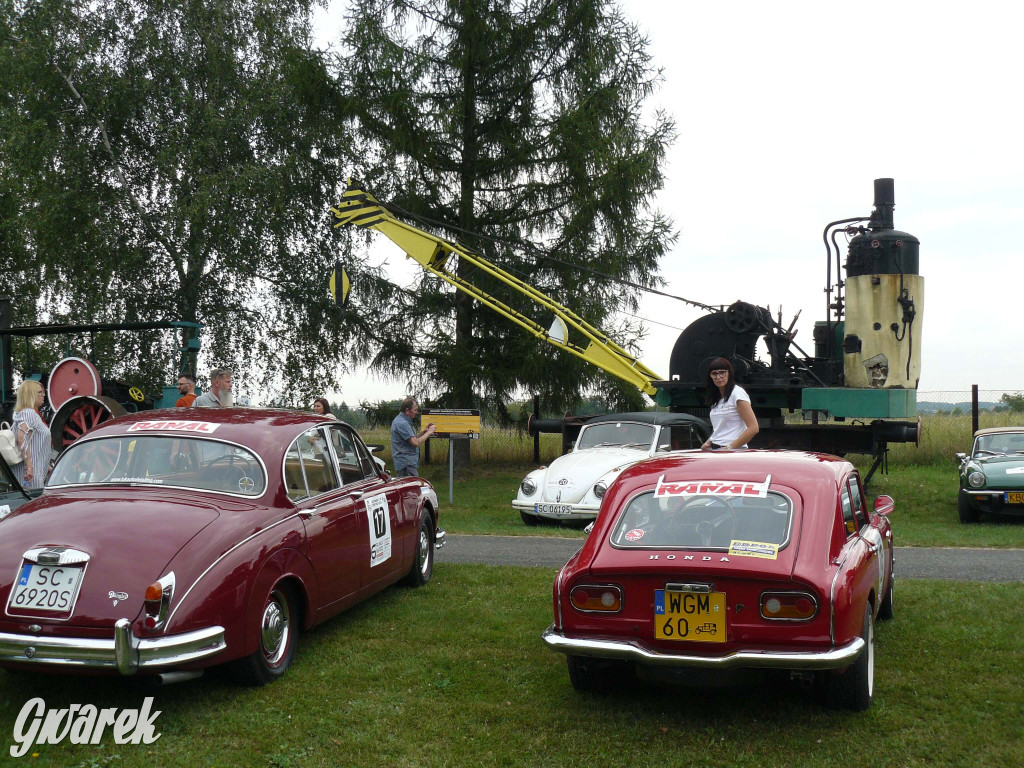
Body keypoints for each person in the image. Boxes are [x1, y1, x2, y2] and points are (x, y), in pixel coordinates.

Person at [701, 357, 759, 450]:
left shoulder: (737, 393)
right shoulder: (716, 398)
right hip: (716, 450)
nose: (718, 377)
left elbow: (753, 428)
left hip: (733, 453)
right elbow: (720, 429)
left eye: (722, 372)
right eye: (714, 374)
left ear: (729, 373)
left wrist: (729, 448)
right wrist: (708, 443)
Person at [11, 380, 52, 489]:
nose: (43, 395)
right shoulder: (29, 413)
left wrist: (46, 466)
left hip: (33, 471)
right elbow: (21, 439)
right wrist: (29, 467)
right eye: (40, 392)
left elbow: (35, 443)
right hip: (30, 474)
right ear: (30, 395)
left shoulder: (27, 413)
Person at [390, 397, 435, 477]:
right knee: (411, 488)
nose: (416, 412)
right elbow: (415, 443)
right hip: (406, 465)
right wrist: (429, 432)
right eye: (415, 410)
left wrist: (424, 432)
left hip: (407, 464)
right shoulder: (402, 423)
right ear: (407, 410)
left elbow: (412, 438)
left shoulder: (401, 421)